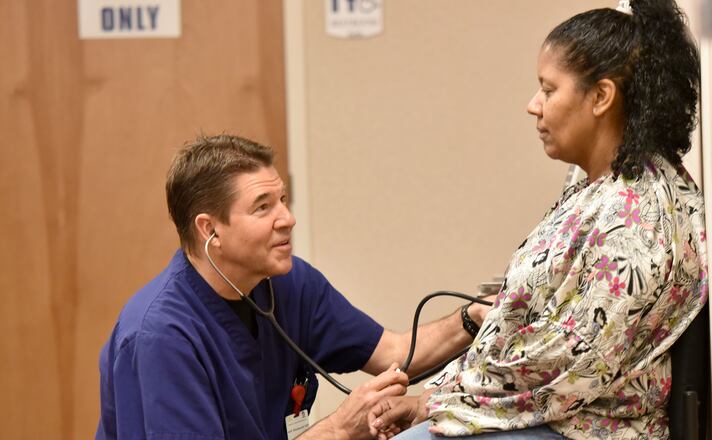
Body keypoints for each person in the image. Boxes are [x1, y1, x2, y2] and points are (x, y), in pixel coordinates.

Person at [368, 0, 707, 439]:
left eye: (549, 90)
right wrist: (440, 395)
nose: (534, 105)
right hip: (548, 413)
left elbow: (567, 360)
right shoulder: (604, 186)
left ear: (601, 97)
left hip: (578, 426)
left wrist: (436, 400)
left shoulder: (637, 219)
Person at [95, 134, 491, 440]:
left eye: (283, 199)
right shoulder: (161, 337)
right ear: (209, 229)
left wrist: (473, 317)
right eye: (263, 207)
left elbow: (394, 353)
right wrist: (337, 429)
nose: (287, 219)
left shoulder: (289, 284)